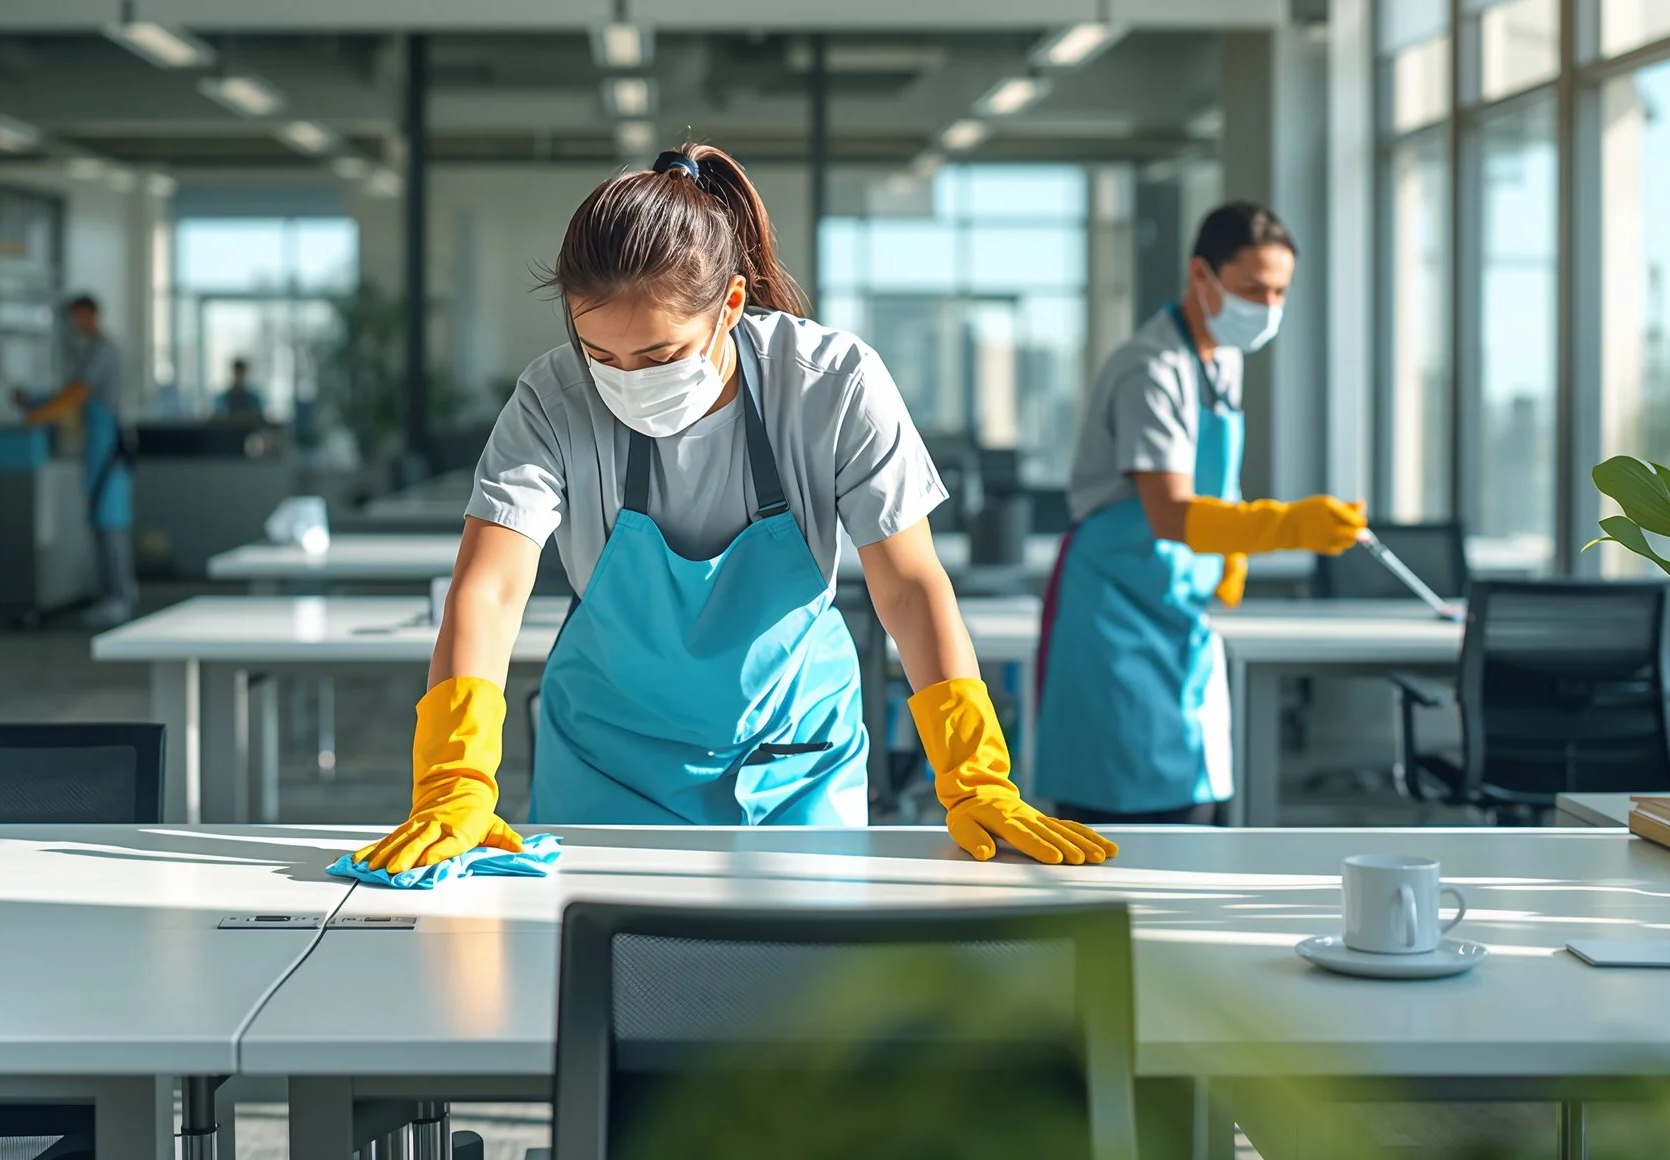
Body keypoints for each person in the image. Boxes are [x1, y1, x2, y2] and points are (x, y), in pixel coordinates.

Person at [351, 144, 1115, 875]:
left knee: (804, 997)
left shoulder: (830, 385)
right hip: (610, 767)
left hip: (796, 762)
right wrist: (454, 776)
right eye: (602, 355)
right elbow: (489, 588)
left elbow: (910, 586)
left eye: (657, 356)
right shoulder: (554, 399)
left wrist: (974, 776)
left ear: (732, 305)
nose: (626, 381)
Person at [1028, 203, 1366, 825]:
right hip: (1113, 612)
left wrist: (1230, 550)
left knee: (1191, 802)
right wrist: (1288, 528)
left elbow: (1216, 482)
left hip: (1177, 606)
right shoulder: (1151, 368)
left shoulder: (1220, 359)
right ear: (1201, 276)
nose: (1267, 306)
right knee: (1114, 817)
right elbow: (1169, 514)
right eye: (1251, 290)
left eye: (1279, 291)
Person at [17, 295, 137, 627]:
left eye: (76, 317)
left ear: (90, 314)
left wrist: (39, 415)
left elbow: (77, 393)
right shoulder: (89, 350)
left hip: (109, 448)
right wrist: (37, 403)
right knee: (101, 524)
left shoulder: (103, 349)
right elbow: (69, 392)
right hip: (96, 447)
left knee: (110, 524)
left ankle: (119, 596)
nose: (73, 325)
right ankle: (114, 593)